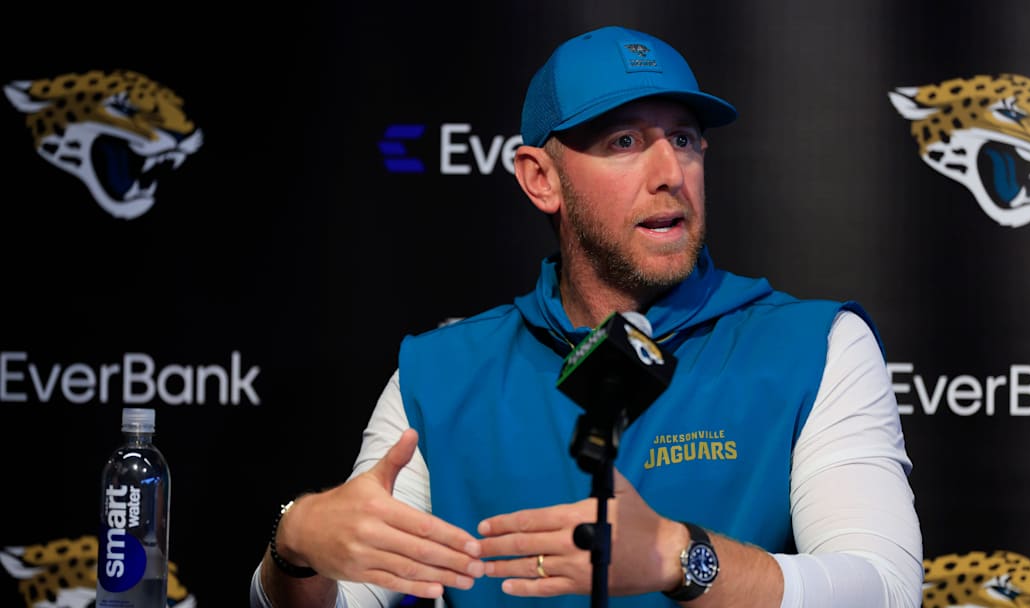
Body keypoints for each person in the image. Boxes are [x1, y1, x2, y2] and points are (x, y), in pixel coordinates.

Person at [250, 25, 923, 608]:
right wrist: (295, 545)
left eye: (684, 138)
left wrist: (679, 557)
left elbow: (888, 590)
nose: (670, 172)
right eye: (625, 141)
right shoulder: (438, 373)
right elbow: (343, 600)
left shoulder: (815, 346)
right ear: (540, 178)